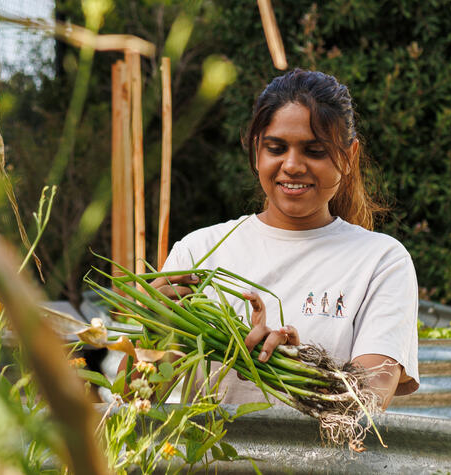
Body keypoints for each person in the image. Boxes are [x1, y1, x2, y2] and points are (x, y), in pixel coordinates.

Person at [151, 69, 419, 409]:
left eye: (315, 151)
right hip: (208, 462)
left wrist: (295, 365)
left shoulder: (380, 261)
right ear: (255, 150)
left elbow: (370, 397)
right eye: (276, 148)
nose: (292, 165)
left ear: (349, 157)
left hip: (324, 464)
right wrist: (156, 334)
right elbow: (136, 400)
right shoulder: (198, 253)